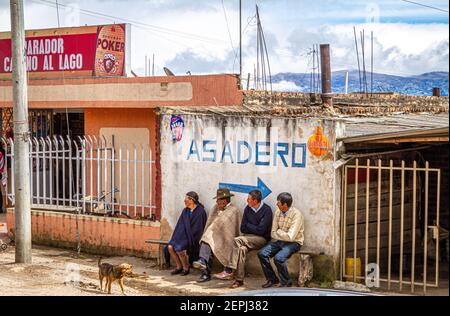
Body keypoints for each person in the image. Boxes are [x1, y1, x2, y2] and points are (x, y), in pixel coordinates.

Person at [213, 190, 273, 288]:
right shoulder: (247, 209)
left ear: (255, 201)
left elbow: (262, 231)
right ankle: (239, 280)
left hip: (261, 240)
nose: (247, 200)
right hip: (247, 238)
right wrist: (255, 227)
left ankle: (229, 269)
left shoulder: (267, 210)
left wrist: (250, 226)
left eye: (249, 199)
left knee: (237, 240)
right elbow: (243, 228)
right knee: (241, 250)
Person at [192, 188, 241, 283]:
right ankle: (205, 272)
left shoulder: (233, 210)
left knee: (207, 239)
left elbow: (225, 225)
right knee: (206, 243)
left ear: (226, 201)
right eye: (217, 201)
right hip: (213, 236)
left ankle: (206, 263)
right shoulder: (215, 207)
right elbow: (210, 222)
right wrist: (211, 234)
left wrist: (213, 232)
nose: (218, 203)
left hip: (227, 238)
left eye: (220, 201)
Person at [258, 192, 304, 288]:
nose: (276, 204)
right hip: (280, 242)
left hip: (294, 243)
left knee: (278, 258)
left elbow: (291, 237)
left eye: (278, 202)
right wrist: (282, 234)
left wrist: (279, 232)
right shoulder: (278, 212)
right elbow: (273, 233)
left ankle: (286, 282)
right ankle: (272, 279)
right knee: (262, 253)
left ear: (285, 205)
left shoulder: (297, 215)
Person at [166, 192, 207, 276]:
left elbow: (199, 228)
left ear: (192, 200)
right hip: (182, 236)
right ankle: (179, 267)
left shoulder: (200, 211)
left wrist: (187, 237)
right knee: (170, 247)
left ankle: (186, 267)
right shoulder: (185, 211)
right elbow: (179, 226)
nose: (184, 201)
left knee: (179, 249)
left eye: (186, 199)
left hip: (192, 237)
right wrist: (177, 237)